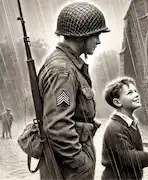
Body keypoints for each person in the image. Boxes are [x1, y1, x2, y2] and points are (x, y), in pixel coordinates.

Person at [37, 2, 109, 179]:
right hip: (69, 169)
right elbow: (58, 126)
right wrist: (81, 163)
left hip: (69, 165)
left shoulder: (68, 65)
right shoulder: (63, 71)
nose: (98, 41)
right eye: (96, 35)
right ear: (80, 37)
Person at [101, 77, 148, 180]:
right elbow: (131, 159)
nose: (136, 95)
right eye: (130, 93)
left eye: (135, 91)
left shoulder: (130, 123)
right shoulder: (115, 129)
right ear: (117, 102)